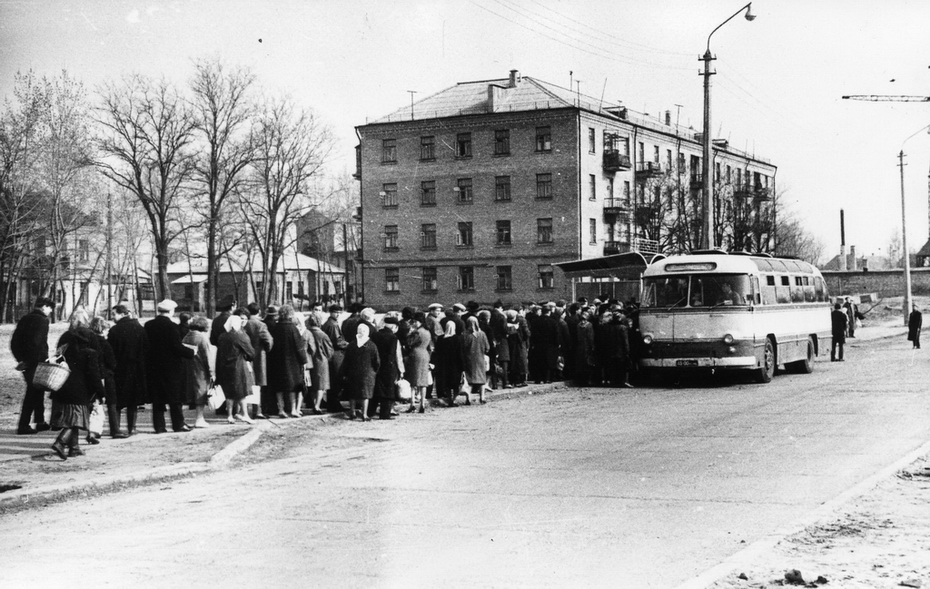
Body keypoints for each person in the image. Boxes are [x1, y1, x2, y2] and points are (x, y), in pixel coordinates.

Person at [49, 312, 105, 460]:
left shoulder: (65, 337)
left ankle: (74, 447)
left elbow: (57, 357)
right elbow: (96, 366)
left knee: (72, 417)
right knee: (77, 418)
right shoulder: (90, 340)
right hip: (81, 388)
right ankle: (61, 442)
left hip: (62, 383)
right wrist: (100, 390)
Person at [145, 299, 195, 433]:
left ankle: (159, 426)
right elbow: (176, 347)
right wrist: (191, 352)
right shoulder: (172, 327)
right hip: (172, 367)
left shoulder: (149, 325)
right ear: (171, 311)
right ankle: (178, 424)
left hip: (153, 365)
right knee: (175, 397)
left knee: (157, 397)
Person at [12, 297, 55, 435]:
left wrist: (21, 359)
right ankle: (23, 425)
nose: (50, 311)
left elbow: (14, 342)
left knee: (37, 390)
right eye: (50, 308)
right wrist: (40, 360)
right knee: (33, 392)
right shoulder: (42, 320)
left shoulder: (25, 318)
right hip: (37, 362)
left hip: (26, 361)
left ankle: (40, 421)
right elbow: (37, 343)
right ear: (44, 307)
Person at [107, 304, 148, 436]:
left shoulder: (114, 330)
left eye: (114, 314)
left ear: (122, 314)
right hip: (136, 369)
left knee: (117, 400)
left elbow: (110, 351)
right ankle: (132, 428)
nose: (112, 317)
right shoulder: (139, 328)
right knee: (133, 401)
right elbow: (146, 349)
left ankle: (116, 428)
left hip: (119, 369)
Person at [266, 305, 308, 418]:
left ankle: (281, 409)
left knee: (279, 386)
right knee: (292, 386)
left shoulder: (275, 328)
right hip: (292, 362)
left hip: (277, 361)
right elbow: (299, 347)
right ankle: (293, 409)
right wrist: (304, 360)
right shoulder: (293, 328)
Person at [216, 310, 255, 424]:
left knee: (229, 393)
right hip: (239, 366)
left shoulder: (222, 336)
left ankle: (229, 415)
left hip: (225, 367)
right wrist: (247, 357)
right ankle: (245, 414)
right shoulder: (240, 335)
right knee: (242, 392)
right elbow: (251, 352)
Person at [89, 316, 124, 439]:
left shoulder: (89, 341)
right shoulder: (105, 343)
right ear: (103, 329)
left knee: (94, 403)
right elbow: (112, 362)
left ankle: (92, 430)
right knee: (112, 403)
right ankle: (115, 429)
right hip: (106, 376)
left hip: (92, 375)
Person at [341, 323, 380, 421]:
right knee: (365, 394)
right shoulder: (372, 345)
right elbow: (377, 361)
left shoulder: (351, 345)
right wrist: (374, 371)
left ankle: (352, 412)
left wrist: (345, 373)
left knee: (352, 393)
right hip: (367, 373)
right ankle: (364, 414)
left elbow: (346, 360)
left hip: (353, 372)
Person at [243, 302, 273, 419]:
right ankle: (257, 410)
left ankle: (243, 410)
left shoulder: (244, 323)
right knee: (258, 384)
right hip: (259, 355)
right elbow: (268, 340)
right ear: (259, 311)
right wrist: (266, 350)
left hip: (245, 355)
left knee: (248, 382)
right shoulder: (260, 325)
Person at [369, 315, 403, 420]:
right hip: (388, 367)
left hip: (375, 365)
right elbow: (394, 355)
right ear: (394, 327)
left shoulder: (375, 335)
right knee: (388, 391)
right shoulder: (393, 338)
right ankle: (384, 414)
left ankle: (370, 412)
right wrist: (400, 370)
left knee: (376, 389)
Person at [182, 315, 213, 428]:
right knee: (201, 393)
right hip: (200, 369)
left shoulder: (186, 337)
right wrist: (211, 372)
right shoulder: (202, 338)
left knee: (191, 392)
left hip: (187, 368)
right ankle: (199, 418)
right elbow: (207, 356)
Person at [405, 312, 433, 413]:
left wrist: (409, 334)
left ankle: (412, 403)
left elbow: (409, 343)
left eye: (415, 321)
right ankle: (422, 404)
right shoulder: (427, 331)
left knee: (413, 380)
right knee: (423, 381)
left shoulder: (417, 332)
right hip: (425, 354)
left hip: (416, 354)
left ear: (418, 321)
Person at [322, 304, 348, 413]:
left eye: (339, 312)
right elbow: (337, 341)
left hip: (331, 354)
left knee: (333, 380)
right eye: (336, 312)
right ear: (331, 312)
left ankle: (332, 403)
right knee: (336, 380)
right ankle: (334, 404)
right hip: (336, 354)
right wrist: (348, 344)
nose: (338, 314)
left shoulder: (329, 323)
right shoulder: (333, 325)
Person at [306, 313, 334, 414]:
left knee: (312, 385)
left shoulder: (307, 333)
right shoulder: (323, 335)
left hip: (309, 361)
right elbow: (329, 351)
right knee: (321, 386)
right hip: (321, 361)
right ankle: (317, 405)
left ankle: (314, 403)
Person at [434, 321, 465, 406]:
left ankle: (449, 398)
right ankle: (454, 399)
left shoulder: (441, 339)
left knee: (447, 383)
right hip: (455, 365)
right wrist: (463, 366)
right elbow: (460, 353)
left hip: (444, 364)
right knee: (455, 384)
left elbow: (437, 352)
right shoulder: (457, 339)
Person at [461, 316, 490, 405]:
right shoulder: (482, 334)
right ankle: (482, 397)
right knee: (481, 379)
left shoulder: (464, 334)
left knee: (469, 380)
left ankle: (468, 398)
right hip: (480, 358)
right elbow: (487, 348)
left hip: (469, 359)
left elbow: (462, 348)